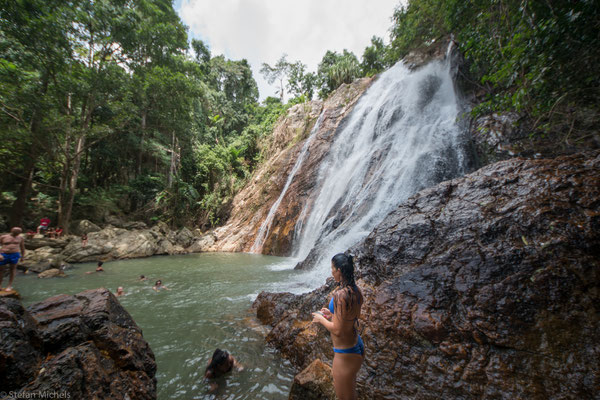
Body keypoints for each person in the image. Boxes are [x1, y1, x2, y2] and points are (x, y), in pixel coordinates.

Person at [312, 253, 364, 400]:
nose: (332, 272)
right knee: (351, 393)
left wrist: (321, 319)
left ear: (339, 271)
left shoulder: (340, 295)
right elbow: (351, 318)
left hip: (345, 353)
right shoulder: (356, 291)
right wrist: (332, 314)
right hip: (357, 345)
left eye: (332, 268)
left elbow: (338, 330)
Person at [0, 227, 26, 291]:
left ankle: (9, 285)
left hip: (15, 254)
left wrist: (23, 256)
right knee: (1, 270)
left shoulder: (20, 238)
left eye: (19, 232)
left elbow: (22, 247)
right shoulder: (3, 237)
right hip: (4, 254)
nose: (18, 233)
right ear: (12, 231)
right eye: (16, 232)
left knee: (12, 269)